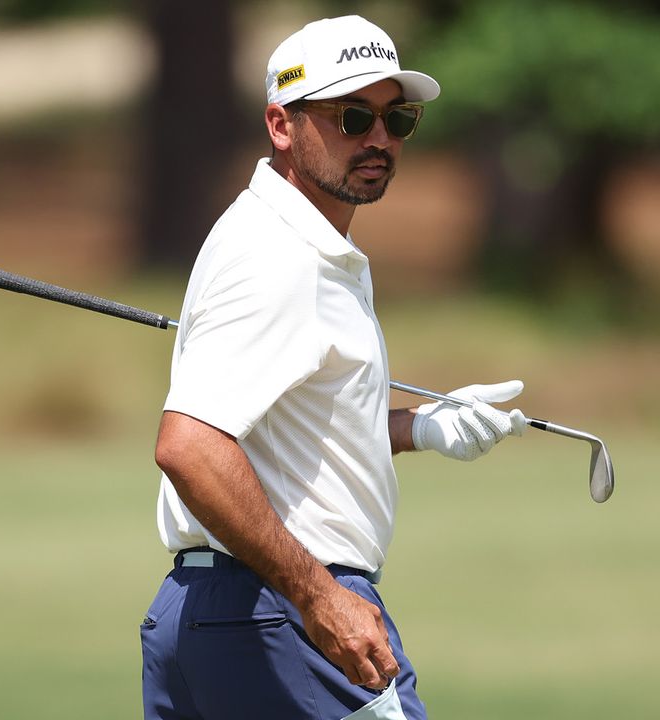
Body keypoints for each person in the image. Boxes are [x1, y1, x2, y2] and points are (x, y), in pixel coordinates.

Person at [141, 16, 528, 720]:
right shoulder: (279, 258)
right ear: (281, 126)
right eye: (352, 116)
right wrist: (319, 596)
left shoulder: (298, 243)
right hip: (280, 614)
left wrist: (420, 428)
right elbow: (189, 446)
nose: (378, 138)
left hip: (213, 612)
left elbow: (291, 434)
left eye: (396, 117)